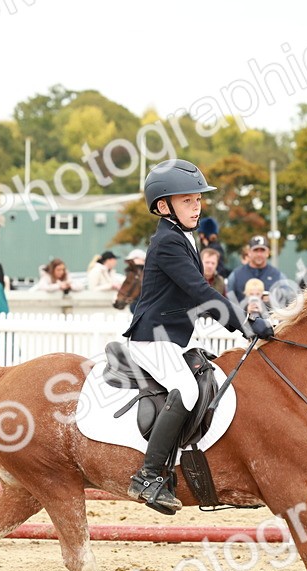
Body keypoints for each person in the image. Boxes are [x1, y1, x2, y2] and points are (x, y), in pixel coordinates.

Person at [123, 159, 271, 514]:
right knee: (187, 390)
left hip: (174, 338)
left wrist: (242, 318)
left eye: (198, 200)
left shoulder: (181, 238)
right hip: (152, 339)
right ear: (163, 206)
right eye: (187, 200)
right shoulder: (168, 243)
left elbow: (200, 301)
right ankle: (148, 475)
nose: (196, 206)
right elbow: (201, 293)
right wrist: (245, 323)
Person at [228, 235, 291, 305]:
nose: (259, 254)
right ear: (249, 252)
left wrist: (271, 300)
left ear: (267, 252)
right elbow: (229, 304)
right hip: (242, 315)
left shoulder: (278, 276)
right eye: (255, 250)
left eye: (262, 250)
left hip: (270, 315)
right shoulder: (236, 276)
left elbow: (286, 303)